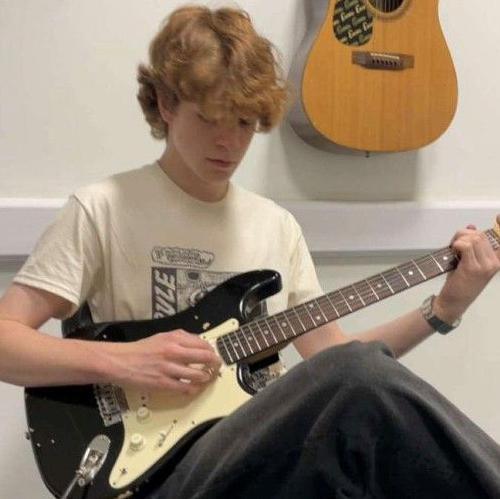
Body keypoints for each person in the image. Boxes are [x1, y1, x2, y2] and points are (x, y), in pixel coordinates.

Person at [1, 4, 499, 498]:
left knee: (361, 394)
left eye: (244, 122)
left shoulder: (275, 227)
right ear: (166, 104)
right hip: (153, 473)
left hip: (263, 464)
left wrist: (444, 308)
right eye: (210, 118)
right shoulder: (101, 210)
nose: (228, 141)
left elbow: (337, 358)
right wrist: (126, 362)